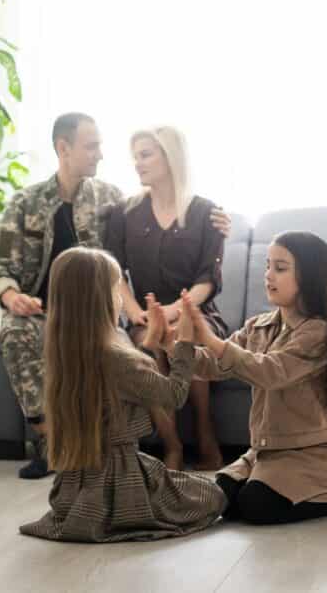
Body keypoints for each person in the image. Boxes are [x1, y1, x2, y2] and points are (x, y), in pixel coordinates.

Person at [150, 231, 327, 525]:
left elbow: (270, 372)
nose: (268, 275)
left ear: (309, 276)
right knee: (220, 496)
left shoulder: (318, 332)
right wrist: (169, 344)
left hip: (314, 455)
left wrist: (211, 339)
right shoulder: (258, 326)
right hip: (267, 452)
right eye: (267, 266)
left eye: (280, 268)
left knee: (255, 506)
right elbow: (215, 366)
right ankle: (271, 489)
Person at [18, 247, 226, 542]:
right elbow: (175, 395)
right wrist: (185, 344)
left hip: (72, 489)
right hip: (123, 482)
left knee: (187, 483)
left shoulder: (64, 354)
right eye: (117, 291)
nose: (120, 300)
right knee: (213, 494)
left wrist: (152, 345)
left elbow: (133, 383)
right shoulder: (118, 360)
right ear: (100, 300)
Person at [0, 113, 124, 479]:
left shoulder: (112, 200)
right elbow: (0, 265)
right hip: (40, 311)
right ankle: (51, 445)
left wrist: (211, 221)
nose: (100, 154)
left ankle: (95, 447)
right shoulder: (25, 203)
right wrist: (12, 296)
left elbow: (152, 229)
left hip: (98, 312)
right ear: (63, 148)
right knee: (15, 331)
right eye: (91, 146)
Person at [105, 126, 229, 471]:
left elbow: (208, 278)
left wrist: (178, 309)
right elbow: (114, 272)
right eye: (135, 157)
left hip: (196, 310)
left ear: (170, 157)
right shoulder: (124, 213)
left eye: (146, 155)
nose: (138, 164)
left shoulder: (207, 212)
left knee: (185, 339)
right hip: (145, 315)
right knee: (151, 346)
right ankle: (172, 447)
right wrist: (134, 311)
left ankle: (206, 437)